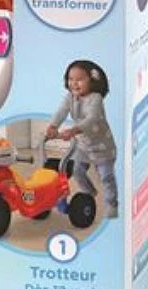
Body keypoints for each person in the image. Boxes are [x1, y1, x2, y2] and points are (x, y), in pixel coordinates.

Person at [46, 60, 118, 219]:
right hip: (84, 146)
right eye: (71, 79)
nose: (74, 83)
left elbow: (92, 119)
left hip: (102, 147)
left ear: (92, 80)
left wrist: (73, 131)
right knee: (77, 171)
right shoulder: (69, 98)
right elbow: (61, 111)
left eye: (79, 79)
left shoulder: (96, 98)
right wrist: (53, 125)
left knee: (106, 177)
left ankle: (111, 205)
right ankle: (89, 194)